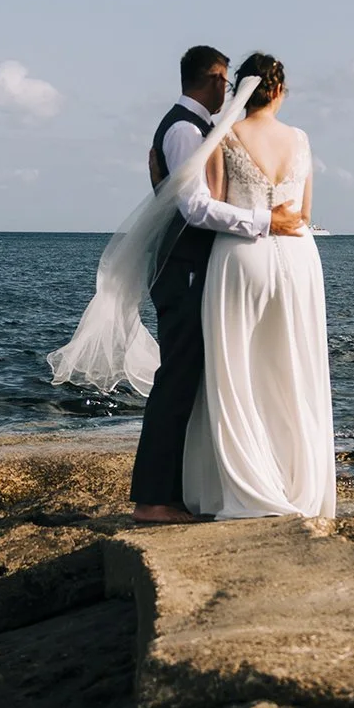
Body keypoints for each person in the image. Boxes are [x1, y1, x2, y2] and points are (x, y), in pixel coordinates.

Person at [130, 46, 306, 523]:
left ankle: (180, 492)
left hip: (195, 266)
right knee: (178, 380)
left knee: (195, 380)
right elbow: (195, 208)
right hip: (184, 268)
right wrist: (264, 221)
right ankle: (152, 500)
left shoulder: (196, 129)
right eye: (225, 83)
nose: (229, 93)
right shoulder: (186, 130)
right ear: (209, 80)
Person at [180, 51, 335, 519]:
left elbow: (215, 203)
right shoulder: (301, 139)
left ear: (240, 91)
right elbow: (303, 213)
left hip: (242, 256)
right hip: (298, 257)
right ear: (281, 91)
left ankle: (249, 483)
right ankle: (296, 484)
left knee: (236, 371)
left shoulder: (223, 135)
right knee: (292, 370)